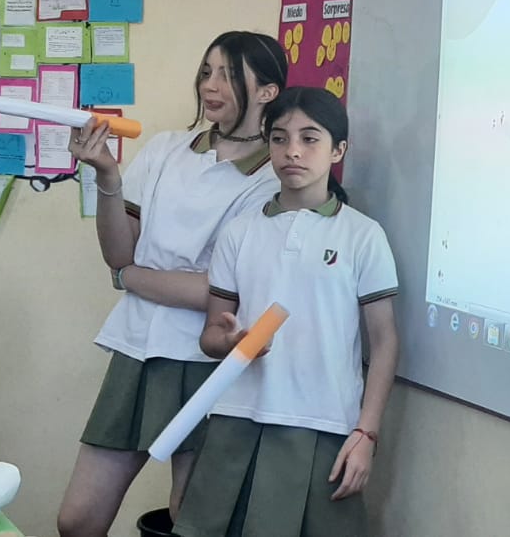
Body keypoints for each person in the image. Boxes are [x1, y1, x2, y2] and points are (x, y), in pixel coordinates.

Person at [58, 31, 288, 536]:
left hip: (207, 360)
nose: (211, 85)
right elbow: (118, 253)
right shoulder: (166, 149)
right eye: (206, 72)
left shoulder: (273, 179)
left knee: (192, 519)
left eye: (229, 74)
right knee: (77, 520)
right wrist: (107, 176)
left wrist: (131, 278)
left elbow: (219, 293)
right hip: (136, 348)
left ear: (268, 91)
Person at [173, 87, 400, 537]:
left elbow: (385, 341)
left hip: (325, 424)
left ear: (338, 150)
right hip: (238, 417)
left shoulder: (363, 235)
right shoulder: (240, 232)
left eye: (309, 139)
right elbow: (211, 336)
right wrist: (231, 342)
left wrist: (367, 433)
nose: (293, 151)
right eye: (279, 138)